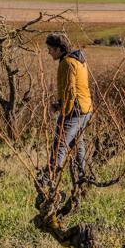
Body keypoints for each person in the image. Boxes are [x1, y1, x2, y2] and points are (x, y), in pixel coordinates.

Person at [46, 33, 93, 177]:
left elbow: (70, 91)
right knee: (77, 145)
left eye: (51, 49)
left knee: (59, 144)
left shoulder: (67, 63)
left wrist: (64, 113)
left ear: (59, 49)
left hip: (75, 111)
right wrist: (59, 105)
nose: (49, 52)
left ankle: (49, 179)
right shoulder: (77, 60)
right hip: (85, 108)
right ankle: (82, 178)